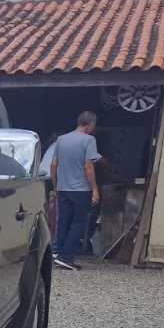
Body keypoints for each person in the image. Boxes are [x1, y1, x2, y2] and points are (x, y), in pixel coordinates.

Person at [50, 111, 103, 270]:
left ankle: (58, 254)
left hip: (63, 188)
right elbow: (88, 166)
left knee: (63, 222)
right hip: (81, 190)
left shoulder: (61, 139)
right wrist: (94, 189)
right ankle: (66, 258)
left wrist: (55, 186)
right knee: (78, 223)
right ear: (91, 124)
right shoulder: (89, 140)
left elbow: (53, 165)